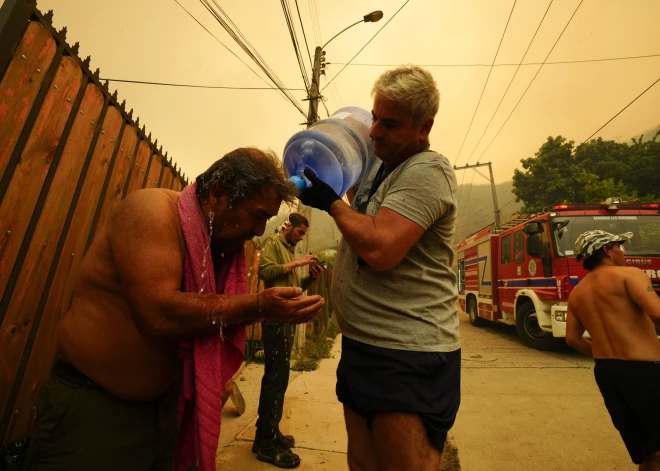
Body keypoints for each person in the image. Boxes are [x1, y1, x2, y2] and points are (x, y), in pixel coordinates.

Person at [31, 147, 324, 471]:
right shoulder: (152, 212)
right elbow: (158, 312)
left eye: (266, 221)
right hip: (95, 413)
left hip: (166, 412)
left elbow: (203, 317)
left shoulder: (214, 245)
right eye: (257, 216)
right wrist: (258, 306)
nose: (258, 231)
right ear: (217, 194)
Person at [300, 66, 461, 471]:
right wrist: (332, 157)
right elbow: (353, 180)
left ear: (424, 126)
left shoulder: (427, 170)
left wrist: (330, 202)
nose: (374, 132)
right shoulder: (381, 171)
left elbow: (380, 248)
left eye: (389, 124)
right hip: (363, 345)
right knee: (363, 462)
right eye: (374, 118)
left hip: (406, 354)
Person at [567, 230, 660, 470]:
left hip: (608, 373)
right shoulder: (630, 275)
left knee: (648, 451)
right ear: (606, 250)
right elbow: (657, 313)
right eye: (620, 245)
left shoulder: (577, 293)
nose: (623, 251)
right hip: (646, 372)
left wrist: (605, 355)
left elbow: (573, 339)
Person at [252, 212, 322, 468]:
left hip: (286, 319)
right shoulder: (273, 242)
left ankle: (266, 435)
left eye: (303, 234)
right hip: (275, 319)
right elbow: (265, 271)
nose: (300, 237)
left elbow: (294, 287)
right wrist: (297, 263)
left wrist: (310, 276)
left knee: (279, 378)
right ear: (289, 226)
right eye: (299, 233)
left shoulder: (288, 251)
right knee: (274, 378)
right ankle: (267, 443)